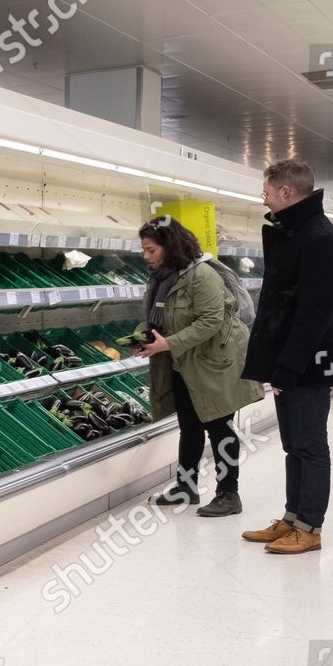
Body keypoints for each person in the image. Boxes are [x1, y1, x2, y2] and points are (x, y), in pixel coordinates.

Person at [240, 159, 333, 554]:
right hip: (289, 359)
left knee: (310, 446)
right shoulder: (296, 232)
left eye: (266, 191)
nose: (263, 197)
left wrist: (287, 365)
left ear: (286, 192)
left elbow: (315, 314)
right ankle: (291, 518)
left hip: (307, 362)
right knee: (293, 445)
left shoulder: (319, 238)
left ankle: (310, 527)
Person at [132, 217, 263, 516]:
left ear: (169, 246)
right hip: (183, 363)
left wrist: (169, 344)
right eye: (144, 250)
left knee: (220, 427)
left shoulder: (201, 275)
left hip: (214, 363)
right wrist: (144, 335)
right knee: (189, 427)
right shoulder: (162, 278)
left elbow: (211, 320)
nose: (146, 256)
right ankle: (186, 487)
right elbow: (158, 316)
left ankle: (229, 494)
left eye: (151, 250)